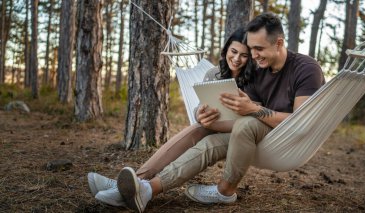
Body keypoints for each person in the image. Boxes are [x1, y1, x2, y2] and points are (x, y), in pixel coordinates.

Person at [111, 12, 325, 212]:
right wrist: (206, 119)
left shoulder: (306, 69)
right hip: (251, 135)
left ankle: (225, 191)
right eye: (251, 49)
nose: (254, 55)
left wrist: (254, 109)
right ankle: (144, 186)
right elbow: (240, 109)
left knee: (246, 123)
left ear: (279, 43)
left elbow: (300, 122)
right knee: (204, 134)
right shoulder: (259, 69)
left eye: (258, 49)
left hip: (285, 139)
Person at [87, 27, 255, 207]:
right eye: (234, 51)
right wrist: (200, 113)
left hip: (240, 132)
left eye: (244, 55)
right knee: (197, 127)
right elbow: (200, 106)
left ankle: (133, 188)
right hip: (212, 124)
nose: (237, 59)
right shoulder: (213, 73)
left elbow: (253, 118)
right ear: (226, 50)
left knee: (204, 132)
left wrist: (212, 122)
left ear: (251, 58)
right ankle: (135, 181)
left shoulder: (255, 79)